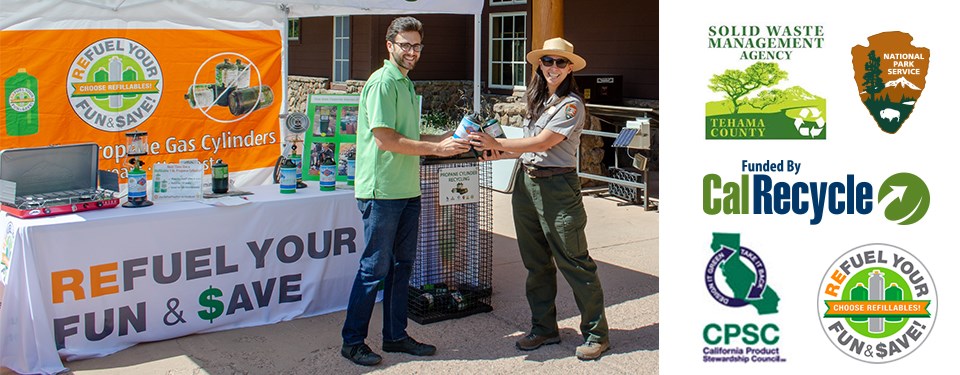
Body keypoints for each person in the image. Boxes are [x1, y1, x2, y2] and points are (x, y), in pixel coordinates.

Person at [469, 37, 610, 360]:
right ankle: (544, 328)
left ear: (570, 67)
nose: (554, 68)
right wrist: (495, 153)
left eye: (561, 62)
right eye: (548, 61)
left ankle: (596, 334)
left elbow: (544, 142)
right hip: (527, 185)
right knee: (536, 263)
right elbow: (529, 149)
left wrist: (499, 144)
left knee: (574, 262)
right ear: (540, 65)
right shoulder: (539, 100)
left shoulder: (571, 104)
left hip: (558, 188)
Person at [340, 16, 470, 367]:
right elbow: (386, 140)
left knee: (401, 267)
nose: (412, 52)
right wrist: (436, 150)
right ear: (390, 46)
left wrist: (446, 142)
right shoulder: (383, 83)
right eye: (405, 45)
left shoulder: (405, 84)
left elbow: (409, 136)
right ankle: (352, 342)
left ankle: (395, 337)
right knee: (374, 269)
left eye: (417, 46)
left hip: (406, 190)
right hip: (382, 191)